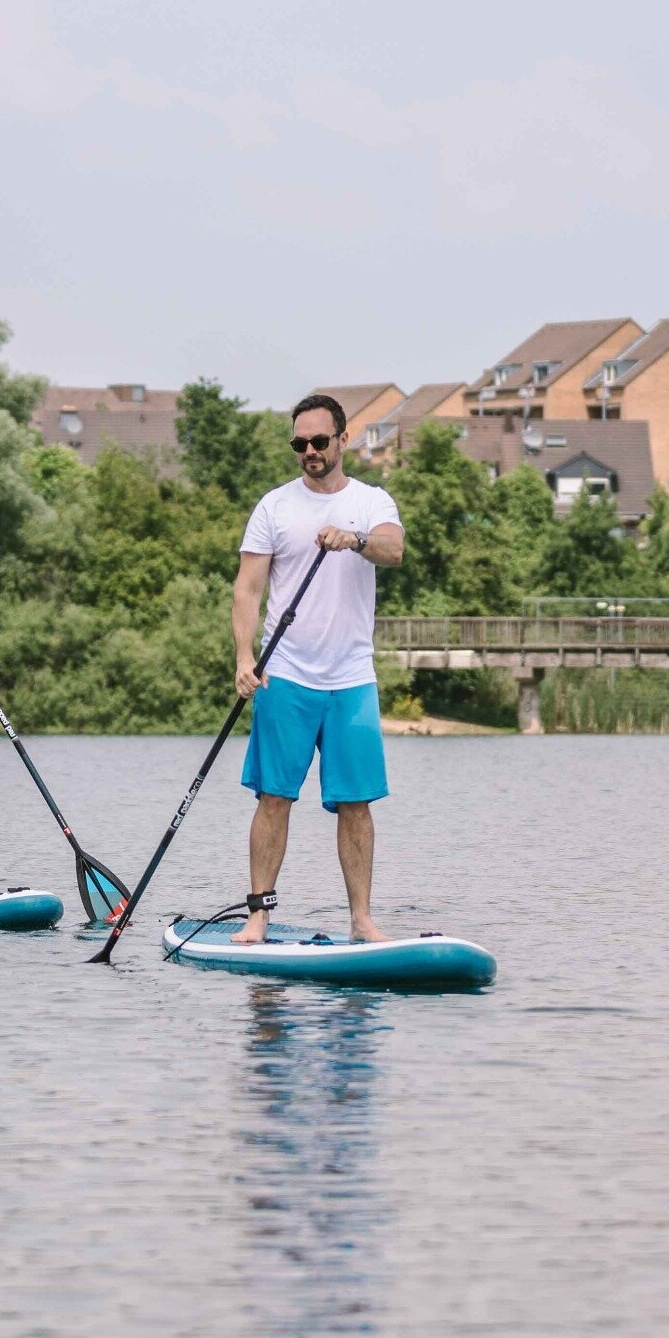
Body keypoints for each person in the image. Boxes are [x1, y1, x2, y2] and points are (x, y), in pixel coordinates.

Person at [232, 394, 406, 944]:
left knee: (355, 804)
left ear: (343, 439)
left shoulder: (372, 501)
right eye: (299, 444)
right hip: (285, 673)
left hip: (352, 678)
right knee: (274, 797)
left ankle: (361, 919)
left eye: (319, 442)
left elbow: (394, 550)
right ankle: (258, 915)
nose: (309, 451)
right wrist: (243, 657)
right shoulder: (275, 507)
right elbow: (248, 589)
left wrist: (352, 540)